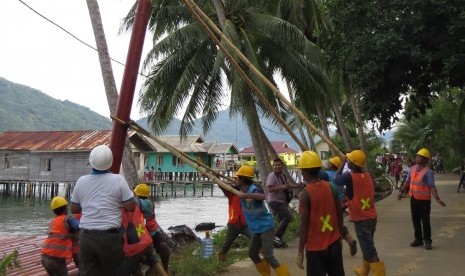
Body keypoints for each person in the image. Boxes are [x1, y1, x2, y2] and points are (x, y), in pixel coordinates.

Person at [71, 144, 136, 275]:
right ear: (110, 163)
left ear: (91, 162)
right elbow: (131, 207)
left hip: (86, 237)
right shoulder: (119, 180)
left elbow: (74, 209)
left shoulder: (81, 181)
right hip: (110, 238)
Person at [336, 150, 385, 276]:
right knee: (367, 245)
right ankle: (363, 272)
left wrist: (342, 163)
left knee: (369, 249)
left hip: (361, 219)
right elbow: (363, 192)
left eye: (350, 161)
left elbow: (336, 179)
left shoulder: (349, 176)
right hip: (371, 216)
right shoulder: (368, 174)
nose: (348, 162)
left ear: (352, 163)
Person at [296, 151, 345, 276]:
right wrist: (339, 236)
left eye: (302, 170)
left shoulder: (305, 194)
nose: (301, 173)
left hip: (315, 249)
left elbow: (304, 225)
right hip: (334, 244)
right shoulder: (331, 187)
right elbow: (339, 213)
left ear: (305, 172)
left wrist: (300, 251)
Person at [235, 164, 290, 275]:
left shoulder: (254, 189)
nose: (236, 179)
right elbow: (224, 186)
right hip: (256, 229)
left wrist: (245, 195)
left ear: (242, 178)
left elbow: (261, 196)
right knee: (252, 253)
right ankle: (266, 274)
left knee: (269, 257)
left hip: (266, 227)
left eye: (237, 178)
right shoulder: (240, 189)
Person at [398, 148, 446, 250]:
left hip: (424, 201)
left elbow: (432, 186)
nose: (417, 158)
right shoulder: (411, 169)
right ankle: (418, 239)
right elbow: (407, 182)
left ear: (425, 160)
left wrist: (437, 199)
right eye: (417, 156)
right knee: (415, 220)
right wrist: (401, 192)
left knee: (425, 221)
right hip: (414, 199)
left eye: (420, 157)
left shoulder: (428, 172)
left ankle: (427, 241)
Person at [119, 201, 166, 276]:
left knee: (126, 269)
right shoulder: (137, 204)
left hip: (131, 247)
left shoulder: (116, 210)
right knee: (153, 260)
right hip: (146, 241)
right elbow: (148, 214)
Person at [133, 183, 171, 273]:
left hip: (145, 233)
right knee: (163, 247)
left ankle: (157, 267)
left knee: (138, 255)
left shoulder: (142, 202)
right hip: (151, 231)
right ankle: (163, 269)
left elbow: (128, 201)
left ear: (137, 194)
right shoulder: (148, 202)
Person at [326, 156, 358, 256]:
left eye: (330, 163)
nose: (328, 164)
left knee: (330, 227)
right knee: (338, 225)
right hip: (339, 204)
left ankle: (335, 249)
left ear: (332, 165)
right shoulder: (343, 176)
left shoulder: (326, 174)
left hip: (329, 204)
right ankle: (350, 239)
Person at [266, 158, 301, 248]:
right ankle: (276, 237)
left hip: (282, 201)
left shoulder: (283, 176)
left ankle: (277, 240)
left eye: (278, 165)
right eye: (275, 165)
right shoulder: (272, 176)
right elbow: (269, 189)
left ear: (282, 166)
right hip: (274, 201)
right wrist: (282, 187)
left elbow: (288, 185)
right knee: (287, 216)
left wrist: (298, 185)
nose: (277, 166)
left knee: (282, 219)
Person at [41, 196, 80, 276]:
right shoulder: (68, 219)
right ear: (66, 208)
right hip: (56, 260)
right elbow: (80, 225)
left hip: (44, 257)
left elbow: (61, 234)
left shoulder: (53, 221)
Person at [217, 181, 252, 262]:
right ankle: (221, 260)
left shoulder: (248, 196)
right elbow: (223, 187)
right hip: (233, 225)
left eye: (244, 190)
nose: (243, 191)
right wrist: (217, 178)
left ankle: (259, 255)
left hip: (244, 224)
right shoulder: (231, 196)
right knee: (227, 244)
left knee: (255, 238)